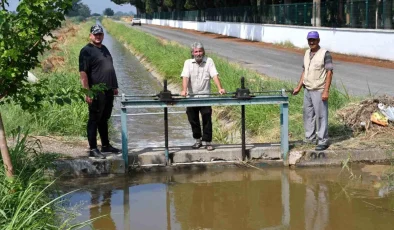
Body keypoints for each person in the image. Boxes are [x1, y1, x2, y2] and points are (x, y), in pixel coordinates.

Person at [79, 24, 120, 159]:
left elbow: (110, 67)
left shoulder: (104, 49)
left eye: (100, 34)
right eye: (95, 34)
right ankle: (93, 148)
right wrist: (87, 92)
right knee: (94, 119)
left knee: (104, 119)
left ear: (103, 35)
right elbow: (83, 73)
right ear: (90, 35)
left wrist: (114, 86)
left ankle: (106, 145)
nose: (98, 36)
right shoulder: (86, 51)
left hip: (108, 90)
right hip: (96, 91)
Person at [180, 42, 226, 151]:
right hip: (191, 98)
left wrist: (220, 88)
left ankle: (208, 142)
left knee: (207, 118)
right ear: (192, 53)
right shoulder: (188, 63)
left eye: (200, 51)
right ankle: (197, 140)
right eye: (196, 51)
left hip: (205, 96)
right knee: (193, 119)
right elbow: (185, 77)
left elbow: (214, 75)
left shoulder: (209, 61)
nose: (198, 53)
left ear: (203, 52)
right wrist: (184, 90)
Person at [292, 31, 333, 151]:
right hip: (308, 89)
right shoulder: (306, 53)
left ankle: (323, 140)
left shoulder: (325, 54)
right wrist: (298, 87)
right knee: (308, 115)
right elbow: (305, 71)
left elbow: (329, 72)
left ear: (318, 40)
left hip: (319, 90)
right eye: (310, 40)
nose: (311, 42)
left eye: (314, 40)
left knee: (321, 116)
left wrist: (326, 91)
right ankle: (310, 138)